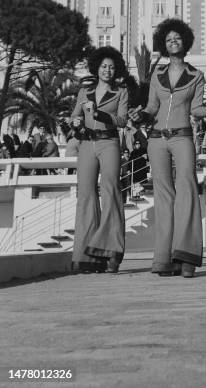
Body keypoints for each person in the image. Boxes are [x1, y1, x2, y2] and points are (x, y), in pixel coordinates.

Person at [130, 18, 206, 278]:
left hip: (182, 136)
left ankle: (186, 255)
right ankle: (164, 257)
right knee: (163, 197)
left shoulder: (196, 75)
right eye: (168, 39)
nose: (173, 42)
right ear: (163, 45)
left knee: (187, 189)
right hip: (156, 139)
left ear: (185, 42)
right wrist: (140, 115)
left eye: (177, 38)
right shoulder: (157, 74)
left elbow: (196, 109)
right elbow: (152, 107)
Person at [70, 46, 129, 274]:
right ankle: (85, 255)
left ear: (117, 70)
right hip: (86, 144)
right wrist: (75, 122)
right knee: (85, 194)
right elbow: (75, 114)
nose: (107, 70)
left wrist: (99, 115)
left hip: (109, 143)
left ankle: (111, 251)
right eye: (104, 66)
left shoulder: (121, 92)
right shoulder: (84, 91)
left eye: (112, 67)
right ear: (97, 68)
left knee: (110, 189)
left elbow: (122, 120)